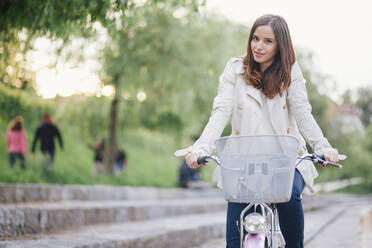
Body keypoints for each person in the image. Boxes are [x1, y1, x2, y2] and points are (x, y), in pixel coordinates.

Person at [176, 14, 340, 248]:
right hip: (243, 162)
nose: (258, 46)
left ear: (280, 45)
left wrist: (323, 148)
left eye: (267, 41)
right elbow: (220, 112)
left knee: (291, 197)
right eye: (255, 38)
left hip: (286, 161)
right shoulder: (235, 69)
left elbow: (303, 114)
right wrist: (200, 148)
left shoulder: (290, 71)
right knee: (234, 242)